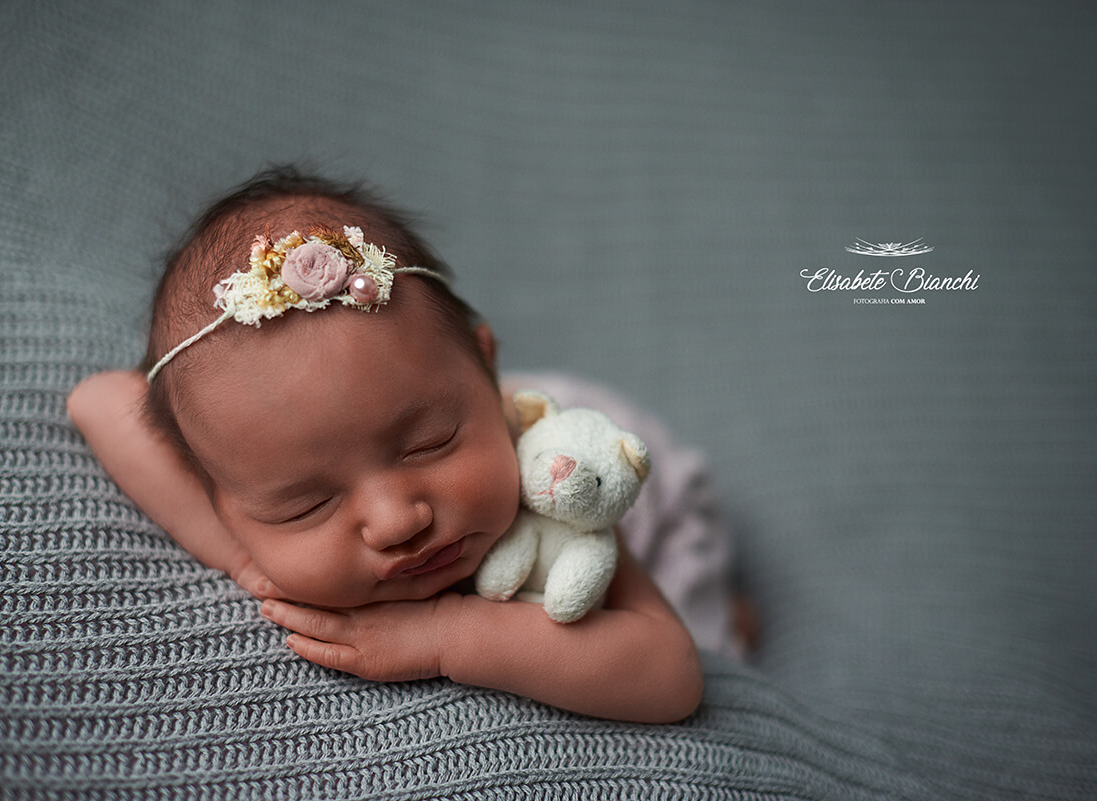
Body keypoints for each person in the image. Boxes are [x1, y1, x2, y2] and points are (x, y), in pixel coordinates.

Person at [68, 166, 728, 723]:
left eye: (430, 444)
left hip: (645, 486)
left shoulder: (547, 491)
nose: (396, 521)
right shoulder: (244, 471)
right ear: (221, 492)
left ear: (486, 369)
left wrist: (447, 636)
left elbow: (671, 673)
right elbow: (95, 401)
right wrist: (244, 560)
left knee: (711, 624)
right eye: (305, 505)